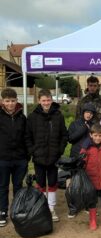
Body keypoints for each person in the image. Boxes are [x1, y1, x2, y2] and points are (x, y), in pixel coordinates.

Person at [25, 89, 68, 222]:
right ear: (39, 101)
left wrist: (59, 150)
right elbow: (27, 136)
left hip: (54, 157)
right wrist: (33, 151)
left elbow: (64, 135)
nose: (46, 103)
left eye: (48, 100)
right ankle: (42, 208)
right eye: (43, 100)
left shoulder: (58, 116)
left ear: (52, 100)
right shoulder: (32, 117)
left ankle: (51, 208)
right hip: (39, 157)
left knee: (53, 183)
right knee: (41, 183)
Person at [0, 88, 28, 227]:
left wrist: (27, 155)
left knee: (18, 186)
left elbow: (27, 137)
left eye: (12, 101)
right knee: (3, 186)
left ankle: (17, 210)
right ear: (2, 101)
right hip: (3, 159)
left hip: (20, 159)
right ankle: (2, 212)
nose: (10, 104)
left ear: (17, 101)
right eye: (7, 101)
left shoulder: (22, 117)